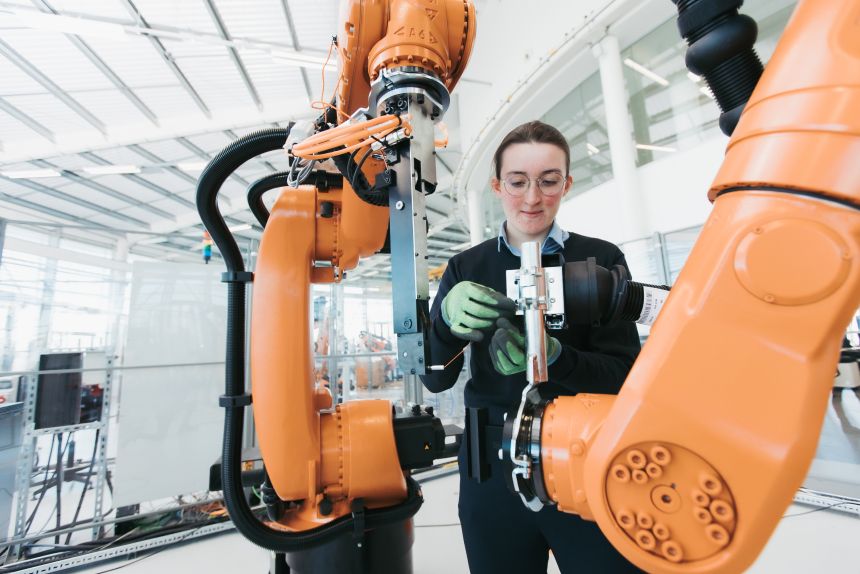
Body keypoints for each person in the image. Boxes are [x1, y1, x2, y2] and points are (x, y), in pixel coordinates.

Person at [420, 120, 642, 573]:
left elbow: (624, 375)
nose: (533, 198)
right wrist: (443, 322)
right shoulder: (466, 267)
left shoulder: (601, 259)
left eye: (548, 181)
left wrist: (558, 357)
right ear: (497, 185)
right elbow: (435, 374)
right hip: (491, 471)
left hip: (586, 463)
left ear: (567, 183)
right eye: (518, 182)